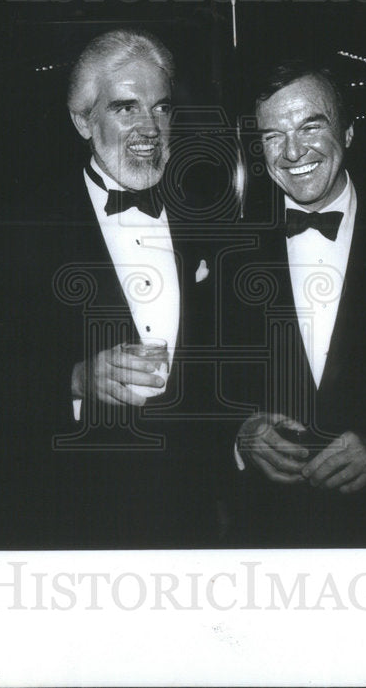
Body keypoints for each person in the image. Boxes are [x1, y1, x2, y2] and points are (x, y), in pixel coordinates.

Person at [223, 60, 366, 546]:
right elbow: (201, 380)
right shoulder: (228, 252)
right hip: (265, 530)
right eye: (272, 135)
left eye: (310, 125)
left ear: (347, 132)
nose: (293, 151)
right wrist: (239, 435)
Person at [26, 28, 229, 548]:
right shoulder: (27, 228)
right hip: (76, 504)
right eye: (125, 109)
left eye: (160, 109)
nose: (149, 128)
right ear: (82, 120)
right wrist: (73, 378)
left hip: (194, 506)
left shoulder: (208, 218)